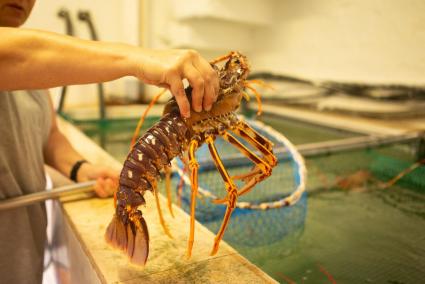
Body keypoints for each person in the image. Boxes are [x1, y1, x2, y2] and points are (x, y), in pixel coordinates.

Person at [0, 0, 219, 283]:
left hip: (22, 257)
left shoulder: (32, 75)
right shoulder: (17, 58)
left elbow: (49, 136)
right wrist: (137, 59)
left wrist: (81, 168)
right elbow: (12, 54)